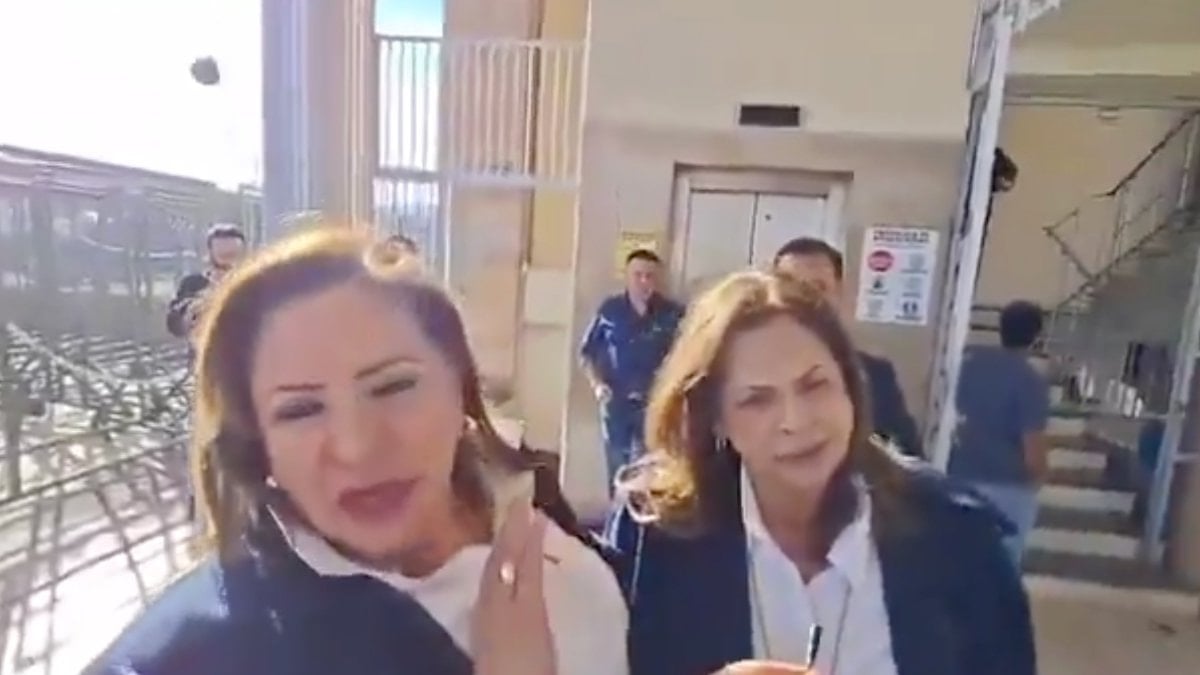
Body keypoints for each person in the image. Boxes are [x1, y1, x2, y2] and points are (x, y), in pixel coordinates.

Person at [86, 228, 627, 675]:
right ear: (257, 446)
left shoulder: (541, 518)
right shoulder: (205, 651)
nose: (356, 447)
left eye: (393, 387)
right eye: (300, 410)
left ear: (461, 389)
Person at [606, 271, 1035, 675]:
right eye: (757, 400)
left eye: (814, 385)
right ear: (715, 417)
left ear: (850, 386)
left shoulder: (957, 536)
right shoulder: (655, 533)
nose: (795, 421)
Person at [773, 238, 924, 458]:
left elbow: (908, 460)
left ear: (839, 293)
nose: (806, 298)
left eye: (819, 287)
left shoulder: (875, 377)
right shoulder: (743, 373)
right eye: (793, 287)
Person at [947, 300, 1050, 567]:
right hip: (1007, 488)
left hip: (957, 479)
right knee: (999, 572)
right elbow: (1033, 449)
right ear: (1037, 336)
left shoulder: (967, 366)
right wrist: (1037, 479)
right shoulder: (1030, 380)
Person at [580, 249, 684, 491]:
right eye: (638, 275)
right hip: (617, 403)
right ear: (626, 277)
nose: (644, 282)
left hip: (655, 404)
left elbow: (686, 355)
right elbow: (587, 352)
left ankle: (644, 515)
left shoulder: (673, 314)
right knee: (618, 468)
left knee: (652, 469)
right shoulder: (610, 311)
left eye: (650, 276)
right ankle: (618, 512)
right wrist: (597, 385)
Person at [165, 223, 247, 340]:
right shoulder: (192, 284)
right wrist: (195, 309)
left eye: (233, 255)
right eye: (222, 256)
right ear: (210, 254)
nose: (229, 263)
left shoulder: (257, 286)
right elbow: (174, 324)